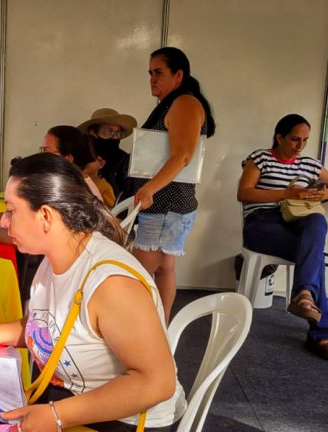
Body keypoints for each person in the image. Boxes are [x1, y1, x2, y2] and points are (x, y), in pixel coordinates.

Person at [0, 153, 185, 432]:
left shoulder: (112, 285)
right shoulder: (56, 256)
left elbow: (157, 383)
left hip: (121, 420)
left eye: (11, 210)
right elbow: (46, 325)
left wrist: (55, 416)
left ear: (45, 216)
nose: (4, 222)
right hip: (75, 404)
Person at [237, 114, 328, 361]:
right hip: (262, 223)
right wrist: (286, 193)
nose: (300, 146)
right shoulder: (259, 158)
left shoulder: (309, 164)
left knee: (318, 221)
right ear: (279, 137)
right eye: (295, 139)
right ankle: (321, 329)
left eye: (305, 140)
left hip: (298, 222)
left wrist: (323, 195)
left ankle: (304, 296)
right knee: (314, 255)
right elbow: (244, 194)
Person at [130, 47, 216, 323]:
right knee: (164, 268)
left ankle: (144, 332)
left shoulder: (185, 104)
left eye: (159, 73)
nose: (152, 79)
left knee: (139, 273)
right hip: (169, 206)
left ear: (178, 75)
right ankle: (160, 329)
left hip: (166, 205)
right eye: (150, 73)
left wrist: (149, 188)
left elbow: (183, 156)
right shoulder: (175, 103)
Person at [78, 108, 138, 198]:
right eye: (109, 131)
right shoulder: (80, 156)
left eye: (118, 133)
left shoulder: (126, 160)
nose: (114, 137)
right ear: (93, 132)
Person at [40, 125, 104, 202]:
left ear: (68, 159)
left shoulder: (76, 191)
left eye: (46, 151)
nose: (41, 156)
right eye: (41, 150)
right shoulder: (64, 183)